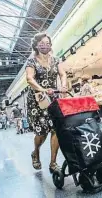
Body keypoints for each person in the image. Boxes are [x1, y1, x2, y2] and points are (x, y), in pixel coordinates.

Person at [25, 32, 67, 173]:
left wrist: (63, 86)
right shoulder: (31, 61)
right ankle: (35, 152)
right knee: (42, 132)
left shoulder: (55, 60)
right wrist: (42, 89)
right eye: (42, 43)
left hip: (53, 97)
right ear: (36, 45)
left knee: (56, 129)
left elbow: (62, 74)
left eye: (47, 43)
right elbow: (30, 79)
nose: (45, 46)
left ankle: (53, 163)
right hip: (38, 101)